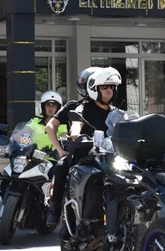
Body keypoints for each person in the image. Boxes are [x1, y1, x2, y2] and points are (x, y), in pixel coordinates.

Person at [45, 66, 121, 228]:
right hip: (84, 156)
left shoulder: (116, 113)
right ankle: (55, 208)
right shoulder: (80, 107)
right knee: (61, 166)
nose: (109, 90)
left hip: (109, 157)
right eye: (104, 87)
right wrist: (61, 148)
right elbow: (72, 126)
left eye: (111, 87)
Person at [26, 91, 66, 155]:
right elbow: (23, 133)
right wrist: (14, 139)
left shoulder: (62, 124)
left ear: (58, 108)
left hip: (55, 158)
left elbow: (64, 138)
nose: (51, 108)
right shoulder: (35, 121)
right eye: (48, 105)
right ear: (43, 106)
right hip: (34, 157)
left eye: (53, 105)